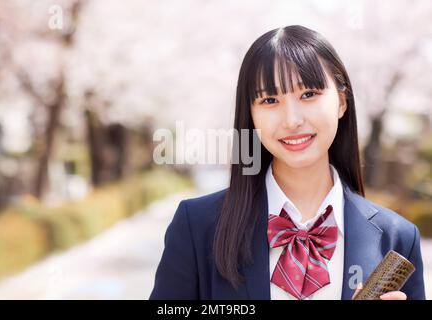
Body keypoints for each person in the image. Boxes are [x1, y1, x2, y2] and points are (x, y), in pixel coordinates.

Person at [149, 25, 425, 300]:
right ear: (251, 115)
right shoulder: (197, 225)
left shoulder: (396, 237)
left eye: (308, 94)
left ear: (341, 102)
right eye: (270, 100)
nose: (292, 120)